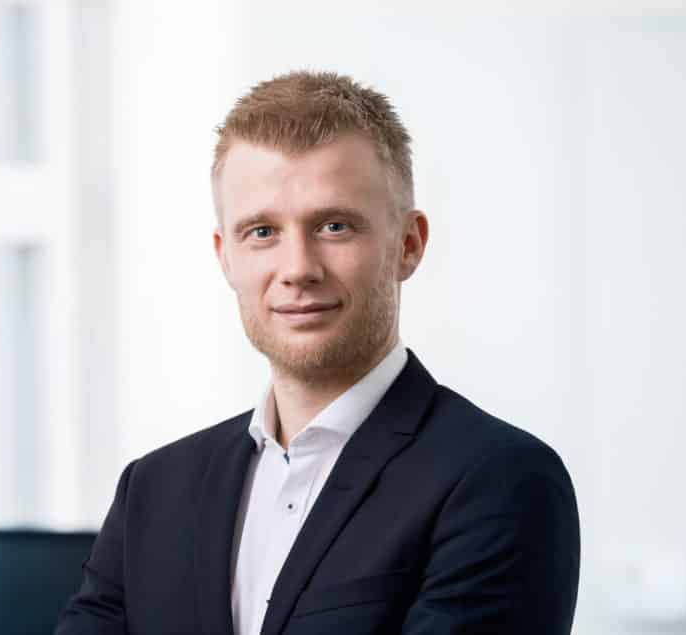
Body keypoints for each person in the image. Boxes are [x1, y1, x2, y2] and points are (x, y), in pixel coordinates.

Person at [55, 71, 580, 635]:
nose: (298, 268)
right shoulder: (153, 491)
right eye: (261, 232)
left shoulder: (501, 480)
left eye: (334, 226)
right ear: (224, 256)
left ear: (409, 244)